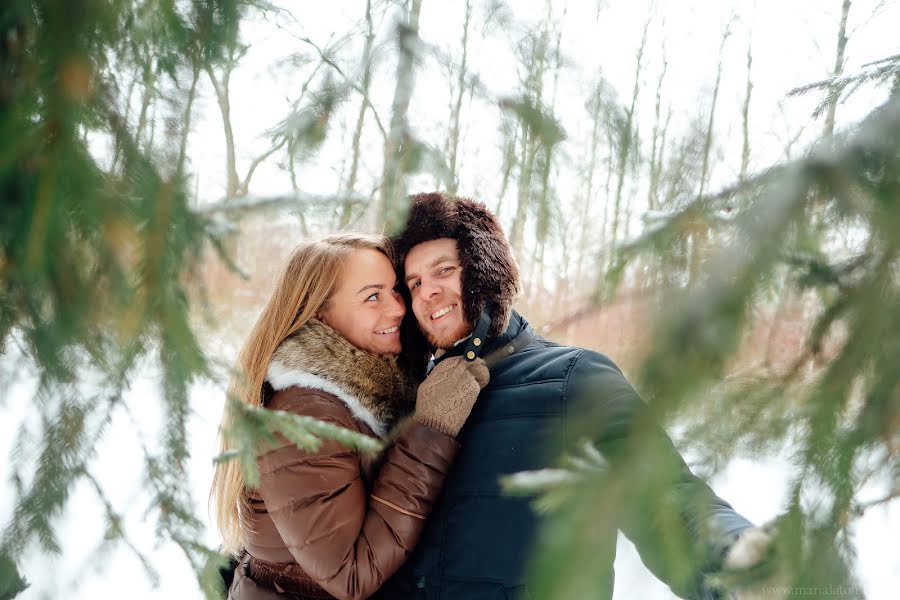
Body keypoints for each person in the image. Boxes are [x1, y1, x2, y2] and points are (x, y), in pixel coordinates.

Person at [381, 192, 763, 599]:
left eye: (444, 270)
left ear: (482, 271)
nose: (428, 293)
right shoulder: (412, 397)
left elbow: (664, 497)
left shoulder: (572, 379)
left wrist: (741, 563)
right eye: (415, 283)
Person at [210, 233, 489, 600]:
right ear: (320, 313)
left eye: (394, 290)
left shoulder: (362, 391)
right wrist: (430, 430)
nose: (398, 308)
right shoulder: (303, 414)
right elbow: (350, 575)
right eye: (372, 296)